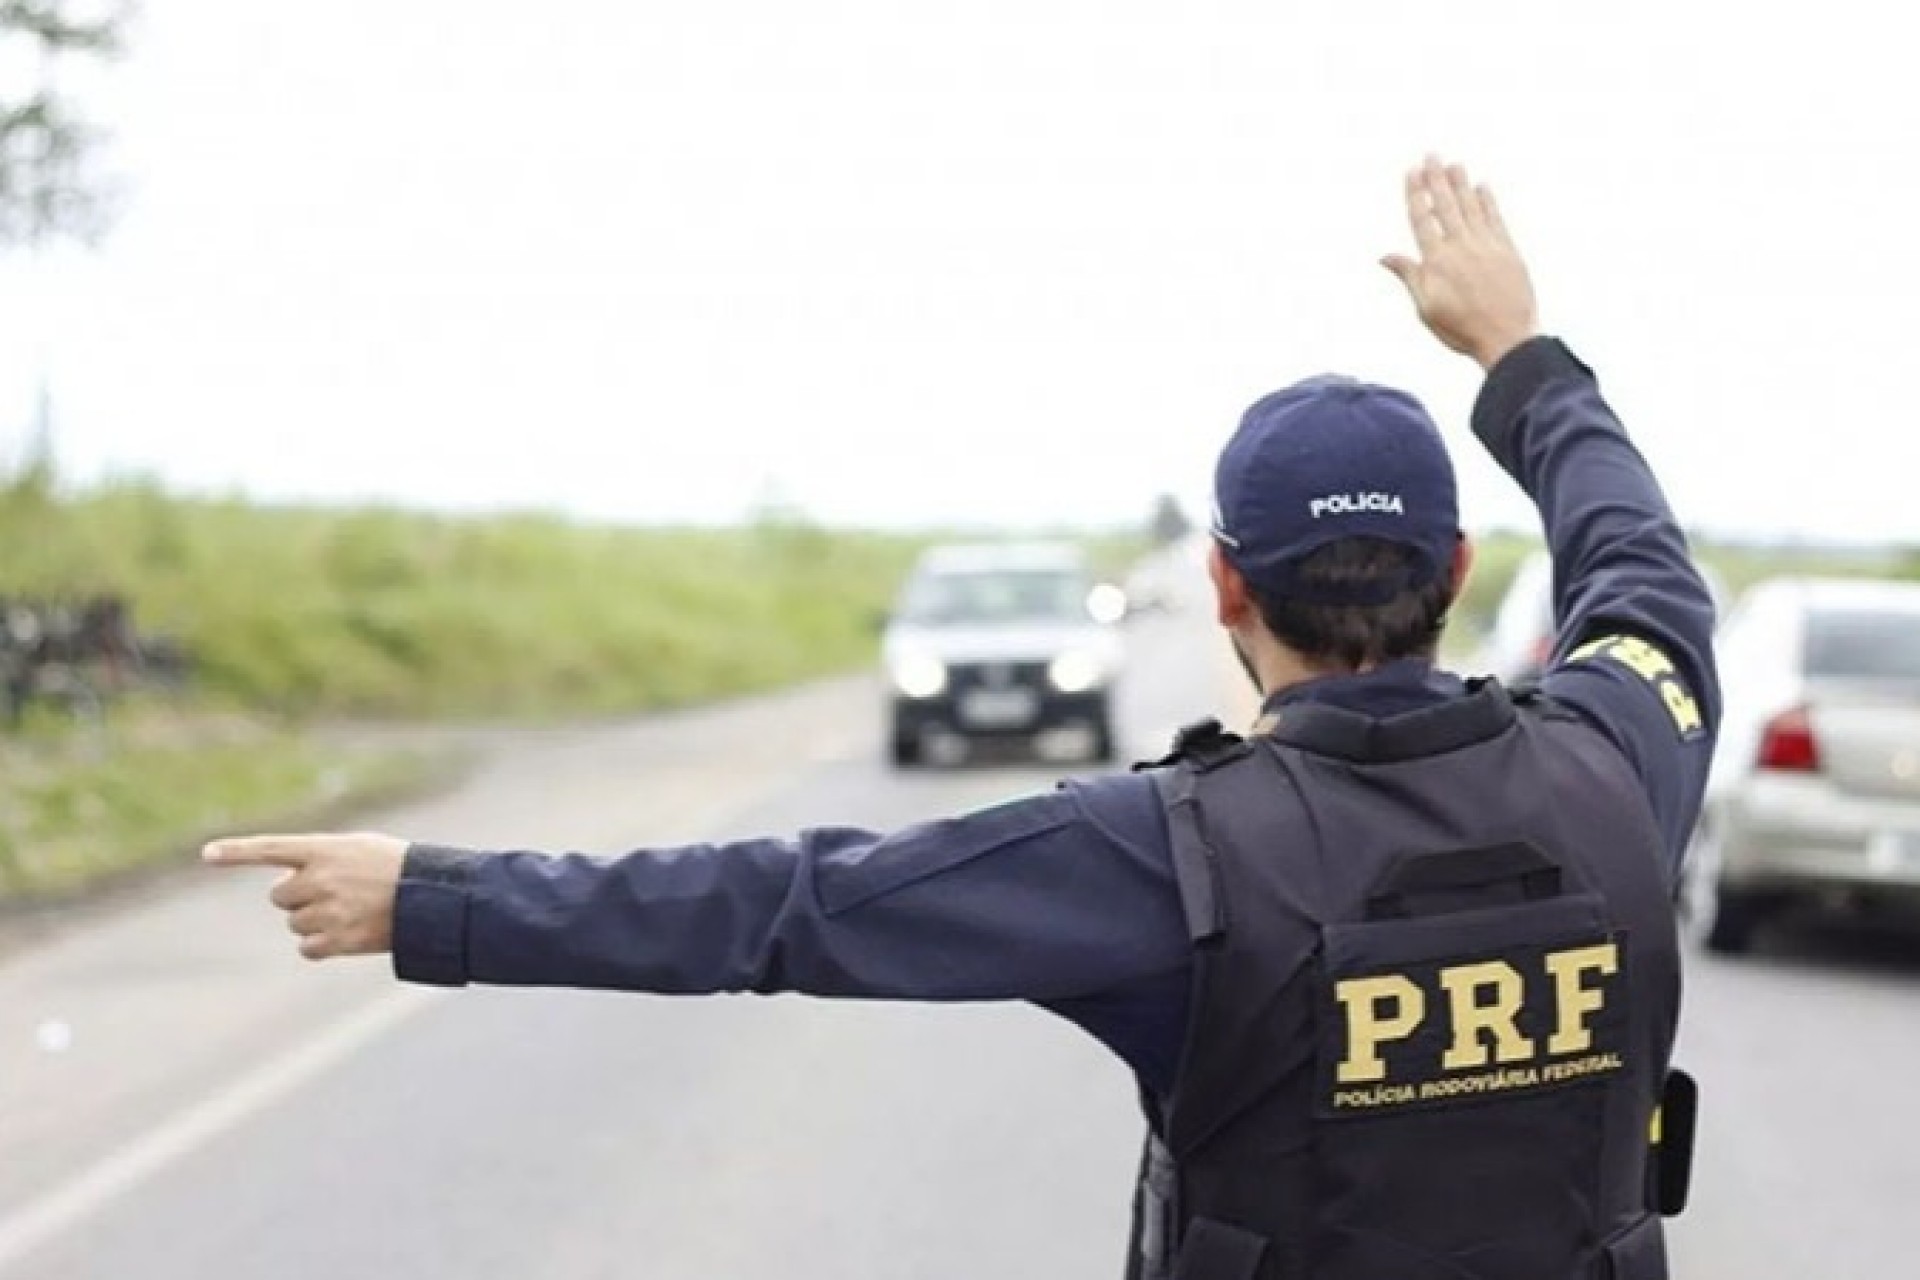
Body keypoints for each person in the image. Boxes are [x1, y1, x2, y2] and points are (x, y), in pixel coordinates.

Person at [207, 157, 1720, 1280]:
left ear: (1220, 588)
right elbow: (1644, 571)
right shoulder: (1615, 762)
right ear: (1455, 571)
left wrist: (435, 902)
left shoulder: (1176, 859)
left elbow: (789, 907)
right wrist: (1520, 353)